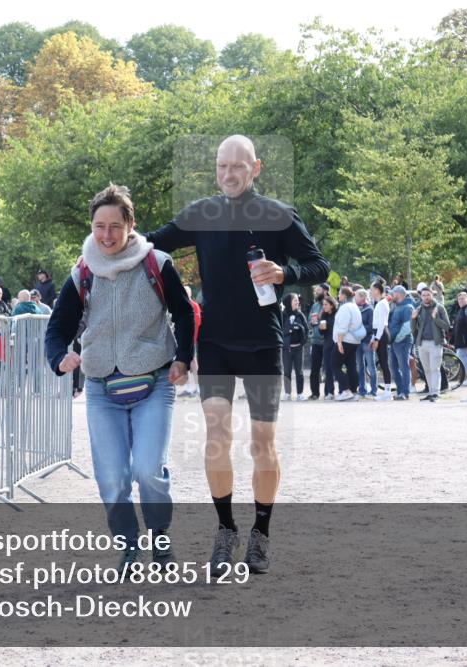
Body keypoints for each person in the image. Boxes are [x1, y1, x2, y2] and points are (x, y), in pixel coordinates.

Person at [144, 135, 329, 573]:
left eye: (237, 167)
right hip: (216, 342)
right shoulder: (202, 213)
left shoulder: (279, 215)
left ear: (256, 168)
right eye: (221, 166)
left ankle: (261, 533)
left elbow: (319, 265)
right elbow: (153, 242)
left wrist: (287, 272)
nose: (228, 174)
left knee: (263, 444)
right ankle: (226, 529)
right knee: (216, 439)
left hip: (264, 342)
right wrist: (107, 239)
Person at [45, 183, 194, 568]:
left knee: (147, 469)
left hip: (154, 382)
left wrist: (183, 358)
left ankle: (159, 537)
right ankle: (130, 545)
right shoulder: (82, 271)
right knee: (112, 478)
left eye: (115, 226)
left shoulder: (156, 264)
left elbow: (184, 312)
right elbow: (58, 327)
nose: (106, 235)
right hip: (100, 387)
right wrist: (60, 357)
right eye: (99, 226)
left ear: (130, 225)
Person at [412, 285, 450, 402]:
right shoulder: (419, 309)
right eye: (423, 295)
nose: (426, 297)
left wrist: (436, 318)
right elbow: (413, 329)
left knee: (435, 369)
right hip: (422, 343)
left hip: (435, 343)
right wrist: (413, 319)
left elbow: (447, 326)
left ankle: (436, 393)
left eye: (428, 295)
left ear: (432, 295)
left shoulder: (440, 308)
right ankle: (431, 392)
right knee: (427, 369)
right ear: (421, 296)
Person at [332, 286, 363, 402]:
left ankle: (346, 390)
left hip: (345, 340)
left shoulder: (345, 307)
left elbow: (343, 326)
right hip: (354, 341)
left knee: (334, 364)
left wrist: (339, 342)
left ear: (344, 295)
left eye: (339, 293)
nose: (338, 296)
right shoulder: (355, 307)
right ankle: (354, 391)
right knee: (351, 366)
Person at [386, 285, 415, 401]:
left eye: (393, 293)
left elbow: (408, 327)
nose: (391, 295)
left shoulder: (408, 307)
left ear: (399, 294)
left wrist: (397, 338)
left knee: (404, 366)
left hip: (402, 341)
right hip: (394, 342)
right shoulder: (397, 306)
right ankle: (399, 391)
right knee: (393, 367)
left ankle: (405, 392)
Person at [281, 294, 308, 401]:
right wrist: (290, 329)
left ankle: (300, 393)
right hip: (287, 349)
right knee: (287, 371)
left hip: (298, 348)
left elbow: (306, 330)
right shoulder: (282, 315)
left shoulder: (300, 315)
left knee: (299, 371)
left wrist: (302, 342)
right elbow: (279, 330)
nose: (297, 302)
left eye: (297, 300)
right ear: (288, 302)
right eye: (295, 300)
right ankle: (287, 393)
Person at [369, 281, 393, 400]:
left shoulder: (382, 303)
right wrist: (373, 338)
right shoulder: (378, 303)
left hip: (382, 333)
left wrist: (377, 338)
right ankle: (387, 391)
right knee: (383, 363)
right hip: (378, 333)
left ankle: (388, 392)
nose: (371, 291)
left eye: (372, 289)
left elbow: (381, 323)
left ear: (377, 290)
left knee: (384, 363)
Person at [308, 283, 329, 400]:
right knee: (314, 369)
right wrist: (312, 322)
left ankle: (328, 393)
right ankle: (314, 393)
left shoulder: (331, 304)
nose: (316, 292)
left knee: (328, 368)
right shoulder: (315, 306)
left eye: (319, 290)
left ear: (325, 291)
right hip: (315, 341)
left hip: (327, 341)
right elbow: (309, 321)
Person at [355, 288, 376, 397]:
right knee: (360, 366)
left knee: (371, 367)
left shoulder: (370, 310)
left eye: (357, 296)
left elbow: (372, 326)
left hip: (367, 342)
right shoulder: (355, 309)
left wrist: (360, 328)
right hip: (358, 342)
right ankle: (362, 389)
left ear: (363, 297)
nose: (355, 298)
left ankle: (374, 390)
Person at [318, 296, 338, 399]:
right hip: (327, 344)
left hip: (337, 344)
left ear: (332, 305)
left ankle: (344, 390)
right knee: (328, 368)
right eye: (323, 304)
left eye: (326, 304)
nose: (324, 306)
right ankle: (330, 392)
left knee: (337, 368)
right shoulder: (323, 316)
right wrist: (320, 328)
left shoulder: (337, 315)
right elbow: (322, 333)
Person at [452, 292, 467, 387]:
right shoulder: (461, 309)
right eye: (459, 299)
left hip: (466, 339)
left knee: (461, 355)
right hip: (460, 339)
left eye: (463, 298)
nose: (460, 300)